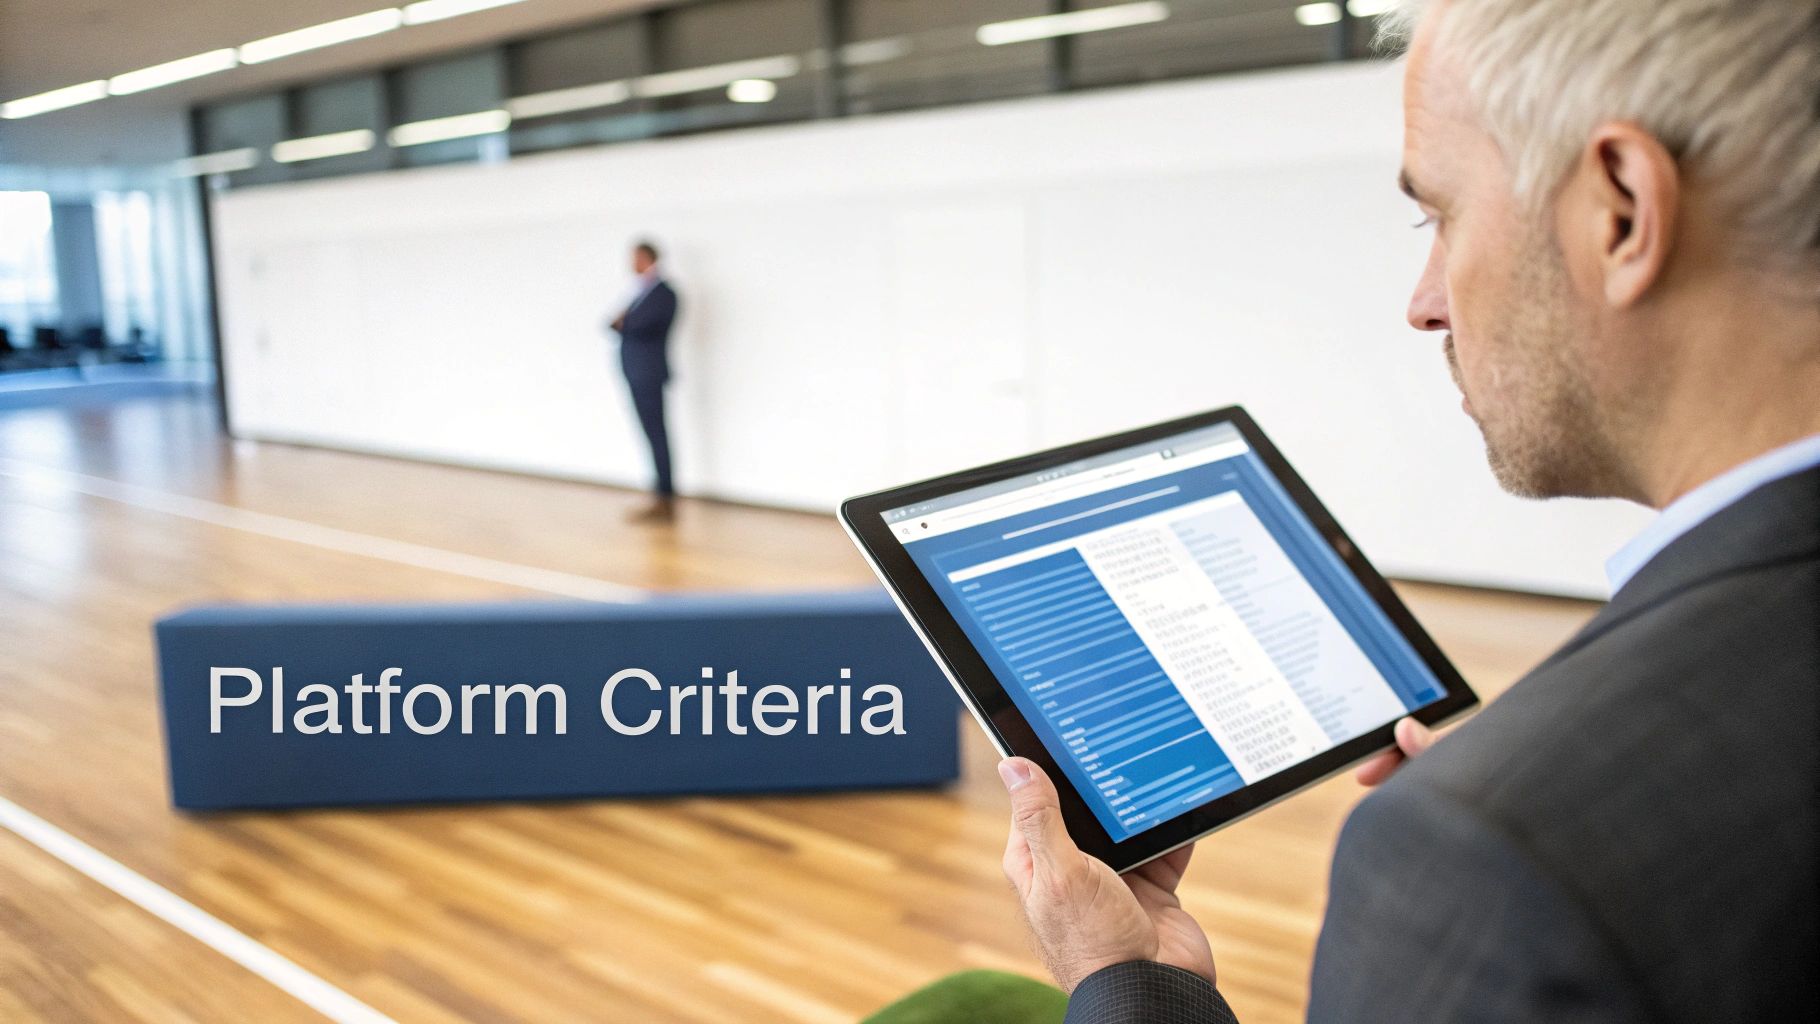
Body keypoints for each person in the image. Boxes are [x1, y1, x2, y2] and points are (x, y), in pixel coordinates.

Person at [1000, 0, 1820, 1020]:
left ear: (1618, 209)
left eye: (1439, 215)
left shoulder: (1486, 856)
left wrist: (1125, 980)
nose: (1422, 301)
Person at [609, 239, 680, 522]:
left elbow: (634, 325)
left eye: (635, 258)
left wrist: (627, 322)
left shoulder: (664, 293)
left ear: (648, 258)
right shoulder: (639, 292)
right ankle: (659, 494)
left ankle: (665, 497)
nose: (631, 264)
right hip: (636, 373)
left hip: (649, 373)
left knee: (657, 435)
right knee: (649, 434)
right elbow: (613, 323)